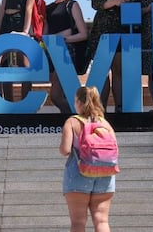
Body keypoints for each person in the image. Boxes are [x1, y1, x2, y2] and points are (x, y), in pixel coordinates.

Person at [59, 86, 116, 232]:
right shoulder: (105, 124)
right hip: (105, 173)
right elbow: (115, 150)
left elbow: (65, 150)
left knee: (78, 223)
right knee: (102, 221)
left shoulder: (72, 122)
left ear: (78, 102)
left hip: (79, 174)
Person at [89, 0, 139, 113]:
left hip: (123, 29)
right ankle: (99, 110)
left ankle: (120, 107)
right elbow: (96, 4)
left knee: (118, 70)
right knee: (102, 70)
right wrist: (116, 1)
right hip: (102, 30)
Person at [44, 0, 88, 113]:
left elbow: (83, 33)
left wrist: (64, 39)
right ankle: (71, 123)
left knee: (56, 96)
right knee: (61, 95)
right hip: (51, 54)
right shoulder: (47, 8)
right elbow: (45, 34)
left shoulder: (72, 5)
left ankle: (77, 118)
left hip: (66, 54)